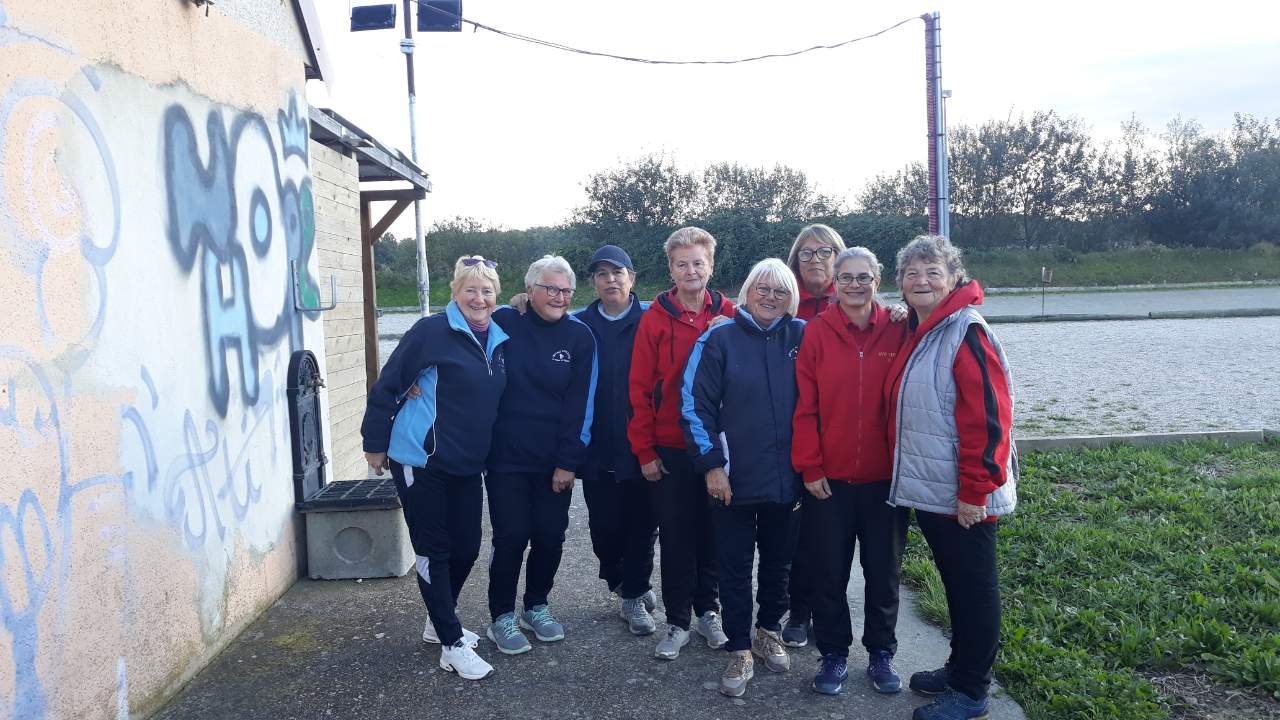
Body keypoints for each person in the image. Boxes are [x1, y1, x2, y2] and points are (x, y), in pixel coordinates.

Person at [885, 234, 1018, 720]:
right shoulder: (923, 329)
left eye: (933, 272)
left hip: (965, 494)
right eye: (912, 273)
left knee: (974, 588)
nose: (922, 280)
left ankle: (972, 691)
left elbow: (988, 418)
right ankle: (960, 667)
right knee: (956, 585)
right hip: (938, 487)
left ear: (954, 278)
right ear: (900, 284)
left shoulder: (967, 331)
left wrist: (975, 491)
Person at [360, 255, 508, 681]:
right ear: (455, 293)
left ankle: (438, 619)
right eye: (470, 290)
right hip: (420, 461)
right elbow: (389, 384)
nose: (478, 298)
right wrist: (374, 443)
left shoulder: (498, 336)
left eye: (486, 291)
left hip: (466, 463)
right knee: (433, 551)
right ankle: (450, 641)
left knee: (467, 548)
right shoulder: (431, 332)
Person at [681, 258, 806, 697]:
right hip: (731, 480)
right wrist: (713, 465)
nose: (771, 298)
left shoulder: (803, 335)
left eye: (780, 291)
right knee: (733, 568)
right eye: (762, 289)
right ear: (748, 291)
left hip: (787, 480)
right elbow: (695, 405)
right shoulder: (720, 337)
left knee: (779, 565)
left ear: (792, 298)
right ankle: (738, 646)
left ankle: (768, 630)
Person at [791, 247, 911, 696]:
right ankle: (834, 653)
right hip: (830, 481)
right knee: (829, 572)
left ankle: (881, 653)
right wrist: (810, 466)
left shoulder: (899, 328)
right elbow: (805, 407)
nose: (855, 285)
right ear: (833, 283)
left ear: (878, 280)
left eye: (864, 277)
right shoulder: (817, 333)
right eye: (846, 277)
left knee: (883, 572)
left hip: (886, 481)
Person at [628, 226, 735, 660]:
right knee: (676, 536)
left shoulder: (729, 312)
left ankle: (709, 611)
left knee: (714, 533)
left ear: (711, 265)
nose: (691, 270)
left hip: (714, 447)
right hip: (670, 447)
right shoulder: (655, 318)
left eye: (698, 262)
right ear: (670, 269)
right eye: (681, 263)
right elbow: (638, 389)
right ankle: (677, 621)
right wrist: (645, 451)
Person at [484, 255, 598, 655]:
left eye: (566, 290)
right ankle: (501, 614)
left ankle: (536, 606)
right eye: (550, 288)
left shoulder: (580, 337)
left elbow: (581, 403)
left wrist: (569, 461)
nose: (559, 297)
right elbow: (454, 337)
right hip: (505, 458)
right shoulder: (503, 321)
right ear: (529, 290)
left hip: (554, 462)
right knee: (511, 536)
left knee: (550, 536)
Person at [571, 245, 660, 635]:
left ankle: (634, 594)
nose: (611, 280)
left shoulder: (652, 319)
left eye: (618, 272)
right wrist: (520, 302)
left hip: (641, 444)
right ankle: (620, 579)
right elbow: (524, 323)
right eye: (602, 274)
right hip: (596, 447)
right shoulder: (579, 324)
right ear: (594, 282)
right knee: (605, 529)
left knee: (642, 525)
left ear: (632, 278)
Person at [779, 223, 847, 647]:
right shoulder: (783, 304)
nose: (816, 259)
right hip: (791, 435)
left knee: (833, 536)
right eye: (806, 253)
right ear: (795, 262)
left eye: (825, 251)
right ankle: (797, 609)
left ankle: (827, 611)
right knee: (798, 534)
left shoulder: (855, 303)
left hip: (839, 439)